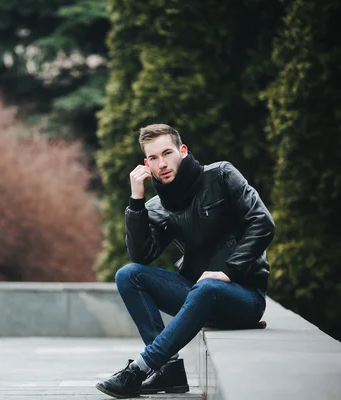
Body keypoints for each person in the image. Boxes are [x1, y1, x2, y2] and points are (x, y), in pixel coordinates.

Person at [96, 124, 275, 398]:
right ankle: (168, 370)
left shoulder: (221, 175)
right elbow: (141, 256)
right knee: (127, 275)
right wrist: (136, 201)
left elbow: (262, 222)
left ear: (182, 150)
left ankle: (141, 369)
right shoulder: (157, 206)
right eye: (153, 158)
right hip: (198, 293)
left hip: (244, 296)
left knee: (207, 287)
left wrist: (228, 271)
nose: (162, 163)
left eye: (167, 153)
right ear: (146, 164)